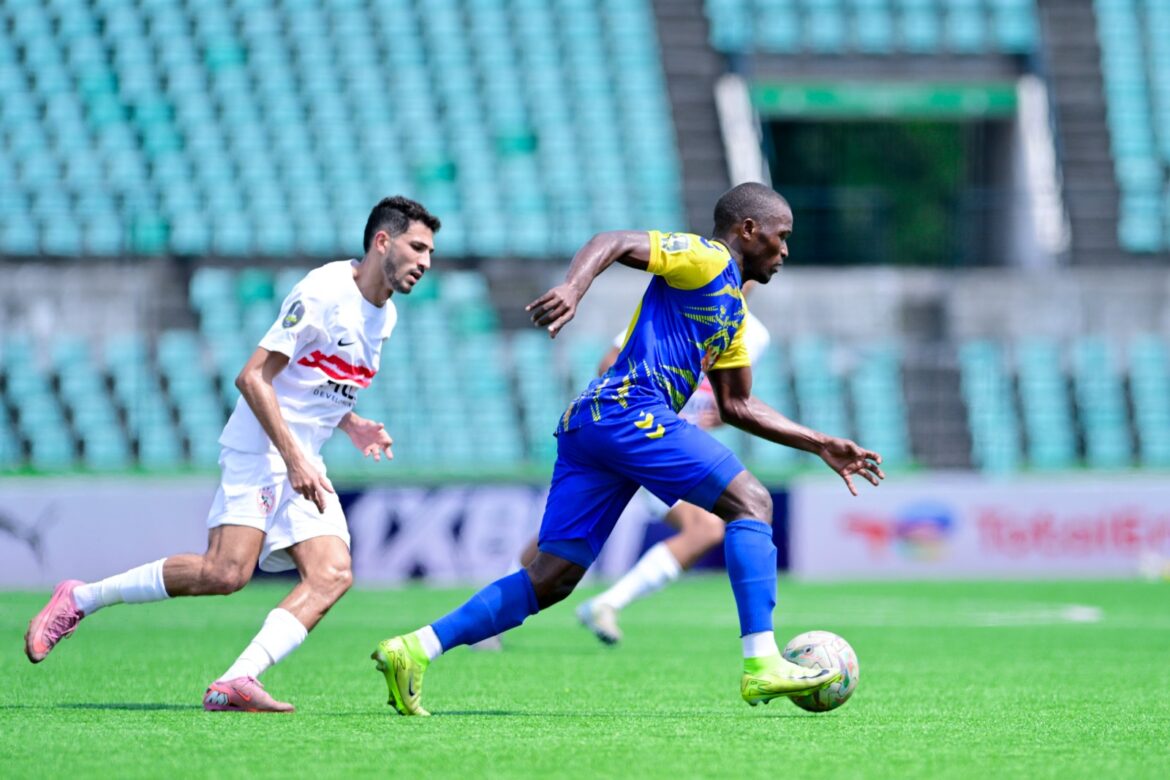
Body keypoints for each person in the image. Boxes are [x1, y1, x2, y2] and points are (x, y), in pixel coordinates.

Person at [371, 182, 883, 717]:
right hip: (628, 410)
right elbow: (612, 241)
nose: (785, 250)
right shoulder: (706, 258)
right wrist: (573, 288)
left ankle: (414, 649)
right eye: (781, 236)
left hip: (592, 425)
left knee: (551, 579)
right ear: (748, 230)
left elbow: (737, 406)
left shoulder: (731, 313)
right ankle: (761, 661)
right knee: (752, 502)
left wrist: (819, 443)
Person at [24, 196, 440, 713]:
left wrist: (351, 423)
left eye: (429, 252)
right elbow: (253, 377)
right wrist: (294, 458)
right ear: (383, 241)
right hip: (263, 446)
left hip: (303, 455)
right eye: (417, 247)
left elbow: (316, 381)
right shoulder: (323, 292)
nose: (426, 261)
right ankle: (80, 599)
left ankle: (237, 679)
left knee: (332, 573)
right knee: (225, 573)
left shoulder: (386, 315)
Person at [575, 303, 771, 645]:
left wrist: (723, 412)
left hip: (674, 447)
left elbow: (731, 396)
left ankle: (606, 603)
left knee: (705, 528)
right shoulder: (681, 301)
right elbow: (609, 362)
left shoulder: (755, 333)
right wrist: (651, 406)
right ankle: (506, 609)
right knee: (565, 540)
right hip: (638, 433)